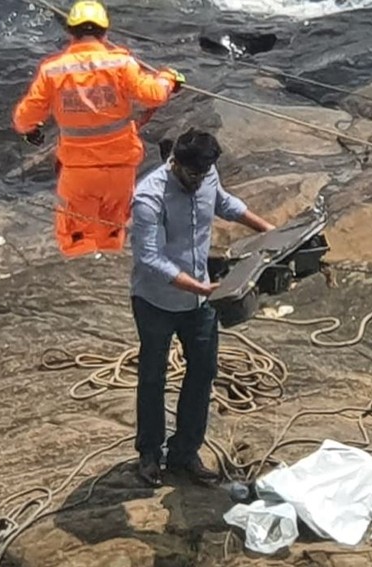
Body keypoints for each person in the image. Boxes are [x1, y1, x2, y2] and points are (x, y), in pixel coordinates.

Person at [129, 128, 275, 487]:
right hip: (156, 301)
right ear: (175, 163)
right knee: (153, 376)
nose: (199, 180)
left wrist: (269, 231)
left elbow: (223, 202)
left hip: (199, 301)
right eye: (193, 174)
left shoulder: (207, 173)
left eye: (205, 173)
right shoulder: (149, 198)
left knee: (203, 372)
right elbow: (149, 257)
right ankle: (149, 454)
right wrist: (199, 286)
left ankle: (185, 452)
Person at [12, 0, 185, 257]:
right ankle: (107, 271)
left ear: (71, 32)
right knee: (113, 227)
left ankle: (79, 279)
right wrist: (168, 78)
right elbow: (154, 94)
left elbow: (25, 117)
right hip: (120, 166)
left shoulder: (52, 71)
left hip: (78, 171)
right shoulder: (121, 64)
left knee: (75, 233)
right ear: (105, 33)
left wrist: (30, 131)